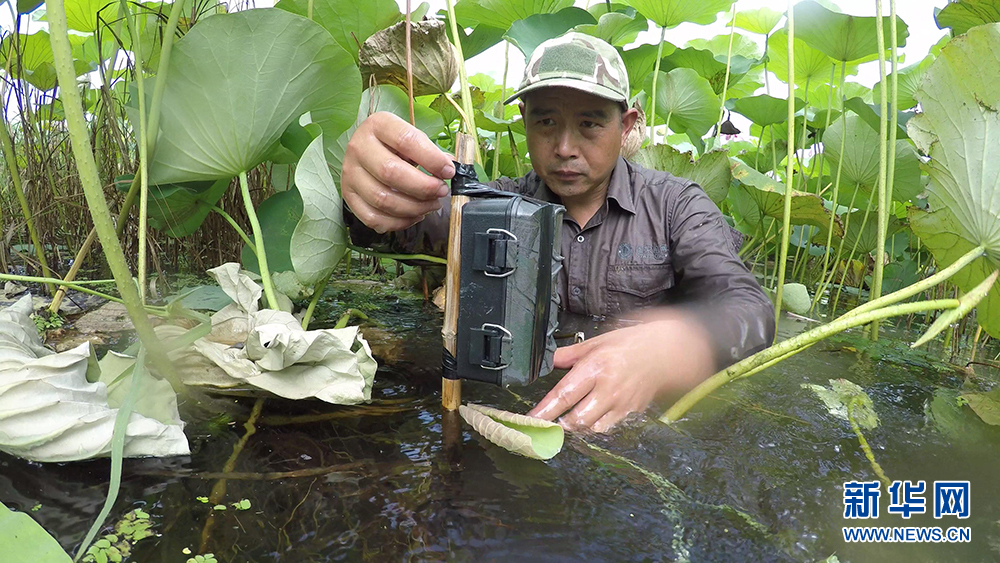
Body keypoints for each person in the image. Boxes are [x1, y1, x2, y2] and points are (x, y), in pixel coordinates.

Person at [341, 32, 775, 432]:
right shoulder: (493, 208)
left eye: (589, 124)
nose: (565, 147)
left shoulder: (675, 205)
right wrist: (368, 191)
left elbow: (751, 312)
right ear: (524, 118)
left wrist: (669, 348)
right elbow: (388, 229)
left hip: (643, 426)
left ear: (626, 125)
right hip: (513, 409)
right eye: (546, 122)